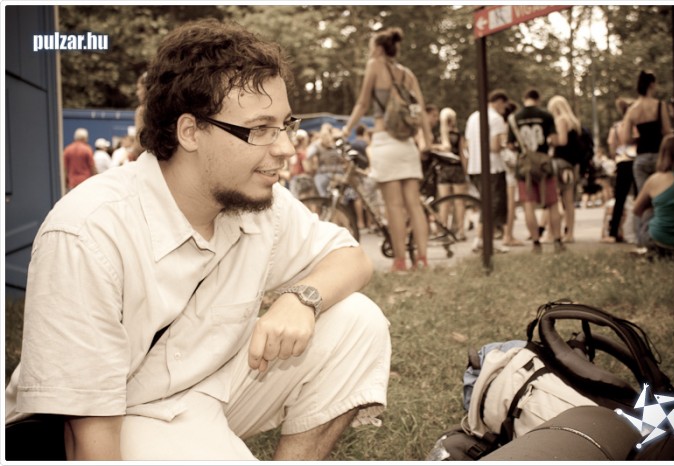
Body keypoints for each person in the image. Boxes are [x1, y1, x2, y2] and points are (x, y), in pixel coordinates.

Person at [5, 19, 391, 461]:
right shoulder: (88, 232)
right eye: (260, 128)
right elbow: (88, 437)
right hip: (118, 415)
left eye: (285, 124)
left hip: (209, 389)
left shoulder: (257, 202)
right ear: (189, 132)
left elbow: (352, 258)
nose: (286, 147)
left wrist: (301, 298)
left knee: (358, 321)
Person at [341, 27, 432, 272]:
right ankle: (422, 259)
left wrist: (346, 130)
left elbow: (362, 103)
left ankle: (400, 261)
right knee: (414, 204)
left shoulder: (375, 65)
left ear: (379, 48)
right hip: (408, 145)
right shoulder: (407, 74)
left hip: (384, 140)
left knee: (394, 206)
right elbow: (421, 109)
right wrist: (427, 139)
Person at [507, 89, 564, 253]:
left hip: (525, 166)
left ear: (524, 98)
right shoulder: (546, 115)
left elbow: (510, 145)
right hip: (544, 164)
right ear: (538, 99)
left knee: (528, 205)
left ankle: (536, 243)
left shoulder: (514, 118)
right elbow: (555, 140)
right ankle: (557, 241)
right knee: (552, 203)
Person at [464, 89, 511, 254]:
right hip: (493, 167)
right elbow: (494, 146)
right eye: (504, 106)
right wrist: (505, 144)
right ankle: (485, 241)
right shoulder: (496, 119)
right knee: (493, 206)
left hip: (475, 166)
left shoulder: (473, 117)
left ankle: (481, 240)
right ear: (499, 102)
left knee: (485, 204)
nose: (504, 109)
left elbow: (467, 143)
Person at [633, 133, 674, 256]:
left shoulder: (655, 180)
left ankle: (643, 246)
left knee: (648, 210)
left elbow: (637, 210)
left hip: (659, 241)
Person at [619, 70, 673, 194]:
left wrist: (639, 139)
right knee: (660, 195)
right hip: (660, 157)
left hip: (641, 159)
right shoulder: (659, 105)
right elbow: (667, 131)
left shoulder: (632, 109)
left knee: (644, 197)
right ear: (652, 84)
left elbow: (626, 139)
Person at [601, 97, 638, 243]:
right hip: (635, 161)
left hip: (622, 162)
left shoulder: (616, 128)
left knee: (620, 199)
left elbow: (612, 149)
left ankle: (613, 231)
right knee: (639, 195)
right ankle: (638, 230)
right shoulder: (635, 127)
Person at [547, 94, 582, 243]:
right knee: (569, 202)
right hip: (570, 164)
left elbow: (562, 141)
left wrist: (550, 140)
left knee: (554, 200)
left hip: (560, 163)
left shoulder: (561, 120)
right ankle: (570, 233)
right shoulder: (574, 123)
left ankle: (553, 233)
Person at [431, 107, 468, 241]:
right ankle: (461, 230)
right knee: (459, 202)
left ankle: (443, 230)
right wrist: (466, 171)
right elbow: (463, 154)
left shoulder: (438, 136)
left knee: (444, 202)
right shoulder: (458, 135)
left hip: (443, 170)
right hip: (457, 169)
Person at [500, 102, 524, 247]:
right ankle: (508, 235)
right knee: (510, 203)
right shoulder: (508, 127)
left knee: (506, 202)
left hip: (500, 167)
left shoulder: (499, 125)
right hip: (509, 168)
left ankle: (506, 233)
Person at [63, 127, 96, 191]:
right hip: (85, 182)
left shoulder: (67, 149)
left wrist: (66, 182)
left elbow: (65, 168)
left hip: (72, 182)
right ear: (84, 138)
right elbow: (92, 167)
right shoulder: (87, 149)